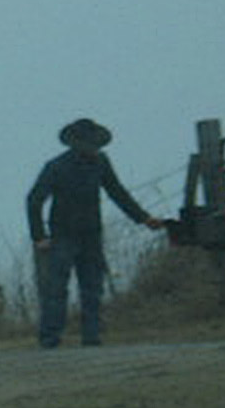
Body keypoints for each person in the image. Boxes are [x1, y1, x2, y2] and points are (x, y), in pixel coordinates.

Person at [26, 118, 163, 348]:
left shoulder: (100, 163)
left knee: (92, 288)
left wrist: (144, 218)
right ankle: (50, 339)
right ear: (75, 143)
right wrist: (39, 236)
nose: (93, 148)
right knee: (57, 289)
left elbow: (117, 192)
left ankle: (91, 337)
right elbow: (34, 200)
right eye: (89, 143)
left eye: (95, 144)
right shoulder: (56, 166)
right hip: (62, 235)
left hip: (91, 234)